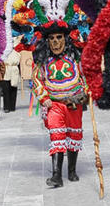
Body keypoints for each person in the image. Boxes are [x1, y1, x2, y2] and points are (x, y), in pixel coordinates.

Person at [32, 20, 87, 187]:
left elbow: (86, 76)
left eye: (59, 37)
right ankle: (57, 175)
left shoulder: (75, 57)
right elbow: (36, 79)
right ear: (47, 41)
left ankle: (71, 171)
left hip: (74, 104)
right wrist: (43, 97)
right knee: (57, 136)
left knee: (74, 136)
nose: (55, 42)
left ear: (66, 39)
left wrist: (85, 92)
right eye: (52, 38)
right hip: (54, 104)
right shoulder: (43, 60)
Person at [2, 42, 21, 112]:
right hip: (7, 70)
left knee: (11, 89)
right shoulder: (5, 53)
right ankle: (9, 107)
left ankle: (10, 106)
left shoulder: (16, 53)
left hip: (12, 70)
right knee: (8, 90)